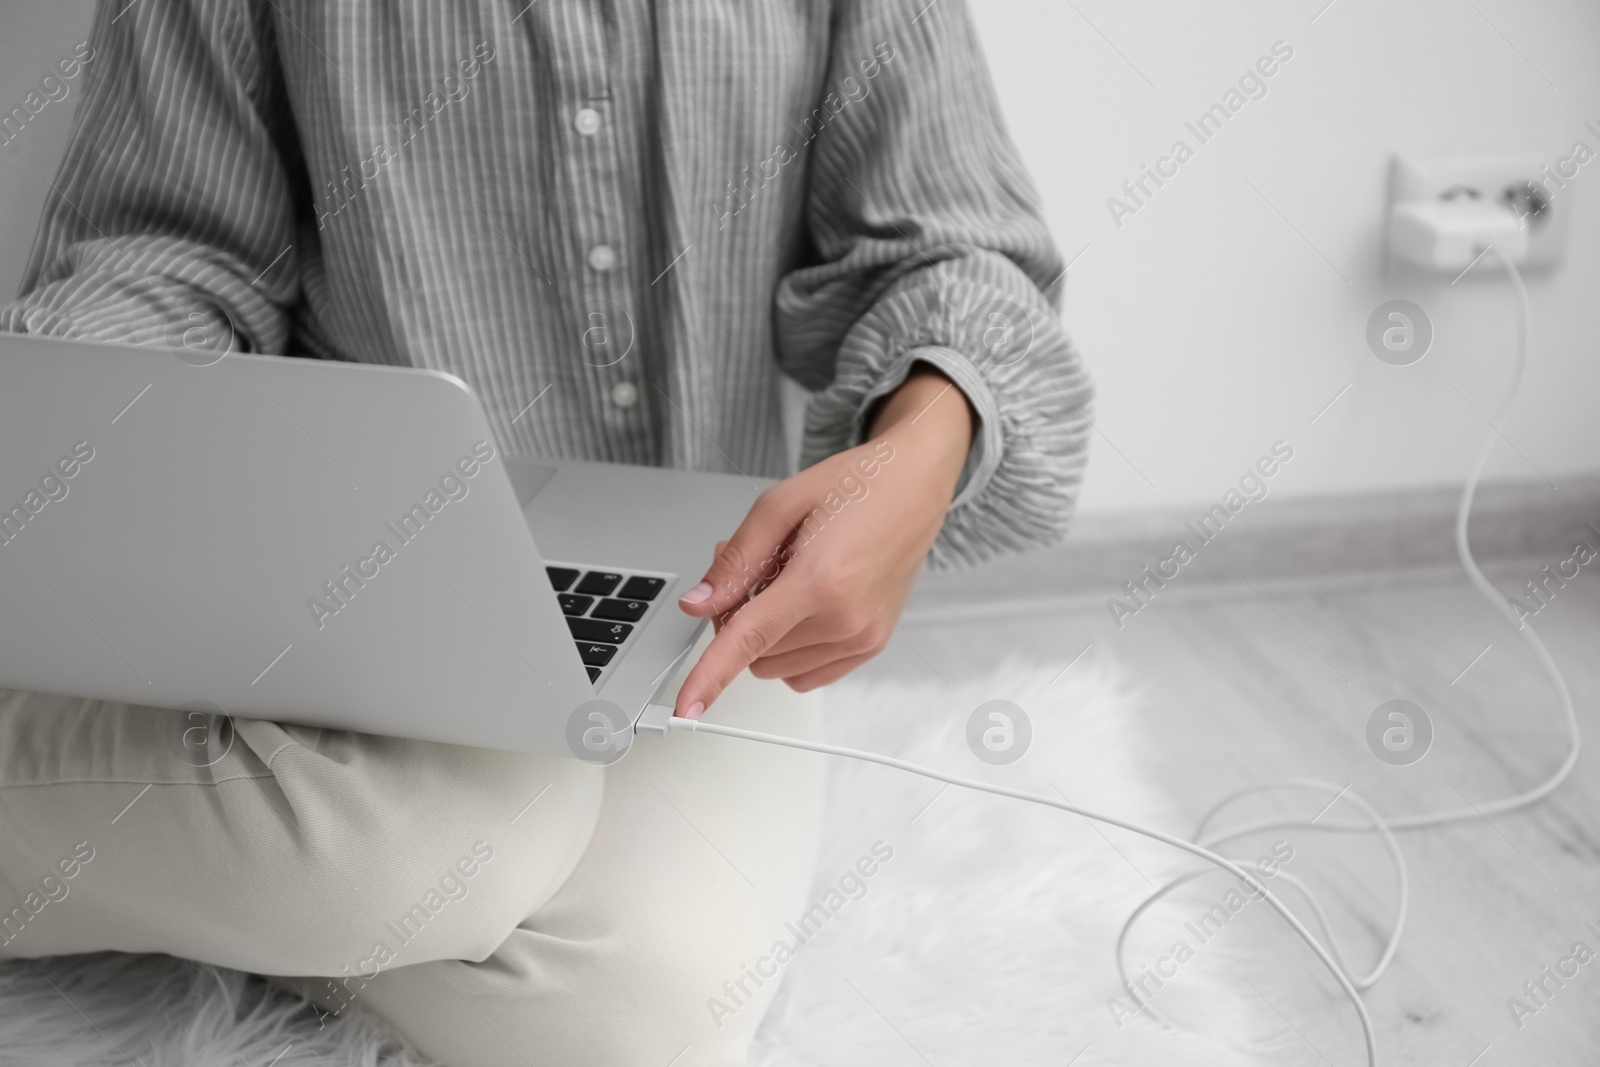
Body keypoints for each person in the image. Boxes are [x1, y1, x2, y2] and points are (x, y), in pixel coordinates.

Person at [0, 1, 1090, 1063]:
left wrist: (926, 440)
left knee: (639, 1018)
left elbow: (949, 246)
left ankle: (240, 894)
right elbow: (171, 251)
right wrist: (65, 433)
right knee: (417, 850)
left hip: (705, 591)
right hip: (363, 570)